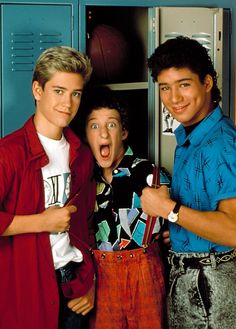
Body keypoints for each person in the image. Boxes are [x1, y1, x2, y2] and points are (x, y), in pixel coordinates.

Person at [141, 36, 236, 329]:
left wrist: (170, 211)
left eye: (184, 84)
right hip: (190, 275)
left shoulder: (221, 144)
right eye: (165, 88)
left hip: (211, 285)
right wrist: (180, 230)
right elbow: (205, 213)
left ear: (207, 83)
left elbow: (233, 230)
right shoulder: (190, 138)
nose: (174, 98)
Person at [0, 46, 97, 329]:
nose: (68, 103)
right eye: (58, 91)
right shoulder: (9, 153)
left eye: (75, 93)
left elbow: (87, 227)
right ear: (37, 90)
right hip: (26, 288)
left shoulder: (81, 154)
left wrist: (90, 283)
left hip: (74, 287)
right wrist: (41, 222)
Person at [74, 86, 171, 329]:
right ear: (86, 135)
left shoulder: (152, 175)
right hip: (102, 279)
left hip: (145, 277)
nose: (103, 133)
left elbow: (177, 228)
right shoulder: (84, 181)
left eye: (112, 125)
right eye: (94, 125)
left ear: (124, 131)